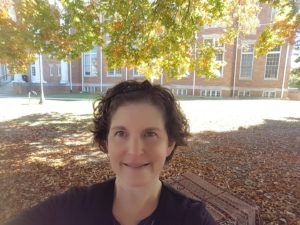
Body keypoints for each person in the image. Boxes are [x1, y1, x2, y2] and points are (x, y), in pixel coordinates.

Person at [5, 80, 217, 225]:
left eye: (150, 134)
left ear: (169, 143)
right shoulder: (72, 208)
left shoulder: (192, 219)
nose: (135, 151)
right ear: (106, 141)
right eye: (121, 133)